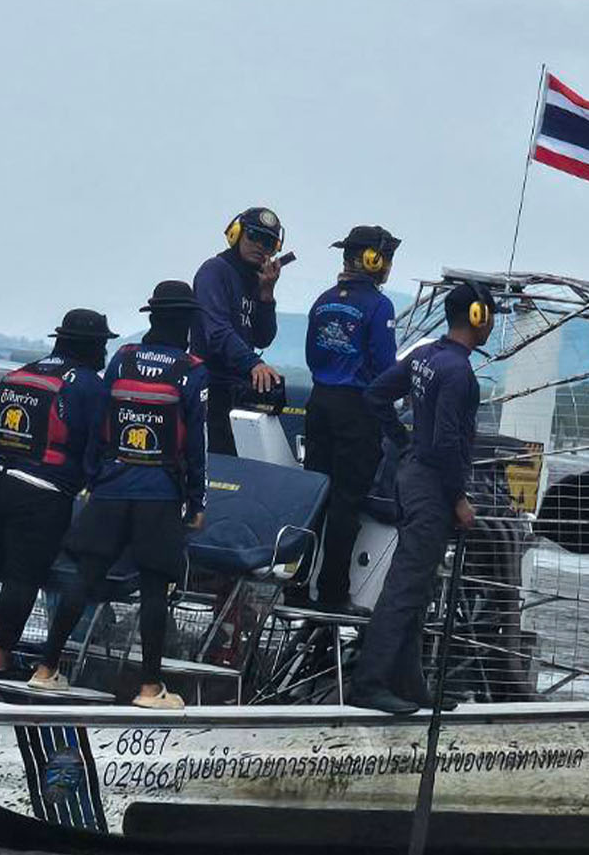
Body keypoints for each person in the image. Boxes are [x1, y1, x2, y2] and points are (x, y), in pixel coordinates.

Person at [29, 281, 209, 710]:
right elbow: (196, 441)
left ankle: (46, 669)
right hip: (160, 495)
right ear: (186, 321)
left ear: (152, 316)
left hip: (109, 489)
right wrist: (198, 501)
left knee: (86, 578)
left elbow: (99, 425)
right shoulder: (191, 369)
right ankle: (150, 689)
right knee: (154, 590)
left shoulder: (124, 359)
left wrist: (94, 477)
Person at [345, 279, 496, 714]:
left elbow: (376, 394)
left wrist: (401, 439)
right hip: (431, 487)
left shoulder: (425, 356)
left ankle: (410, 684)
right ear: (477, 317)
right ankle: (369, 684)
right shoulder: (458, 373)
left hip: (411, 478)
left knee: (419, 586)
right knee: (404, 589)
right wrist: (459, 499)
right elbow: (447, 444)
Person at [0, 309, 115, 676]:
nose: (104, 354)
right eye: (103, 345)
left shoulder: (18, 375)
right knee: (25, 573)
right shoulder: (88, 385)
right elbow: (97, 446)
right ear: (91, 347)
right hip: (43, 490)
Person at [300, 225, 402, 612]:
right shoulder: (379, 306)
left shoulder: (323, 301)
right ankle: (331, 593)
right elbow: (383, 366)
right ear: (373, 259)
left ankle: (298, 580)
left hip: (319, 401)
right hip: (357, 408)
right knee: (346, 500)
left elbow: (313, 354)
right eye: (386, 257)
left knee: (315, 496)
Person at [191, 206, 285, 455]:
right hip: (211, 389)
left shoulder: (256, 279)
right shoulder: (215, 271)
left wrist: (267, 295)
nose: (260, 245)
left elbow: (263, 338)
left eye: (268, 241)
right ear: (236, 234)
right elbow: (217, 332)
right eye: (253, 236)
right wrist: (254, 364)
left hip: (238, 390)